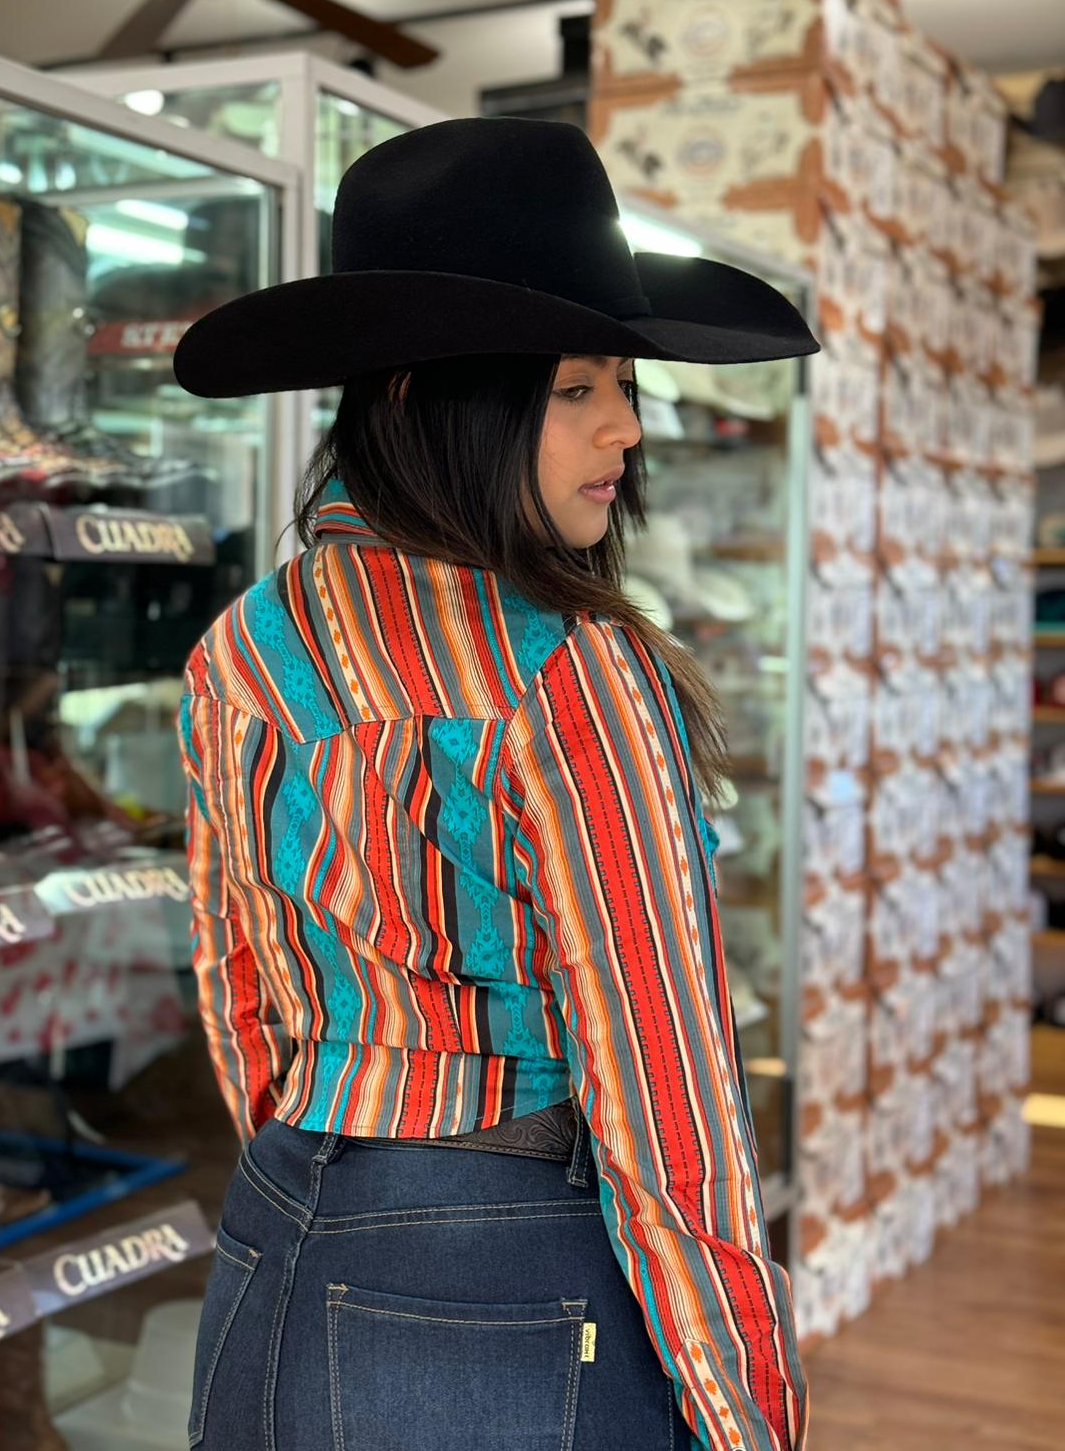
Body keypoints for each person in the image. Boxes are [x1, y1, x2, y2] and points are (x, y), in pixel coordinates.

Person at [172, 117, 817, 1451]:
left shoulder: (245, 643)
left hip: (275, 1233)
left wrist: (345, 1167)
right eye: (578, 388)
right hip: (500, 1273)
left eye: (620, 387)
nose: (627, 428)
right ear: (426, 395)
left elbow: (238, 995)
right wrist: (748, 1411)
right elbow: (665, 1090)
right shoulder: (568, 674)